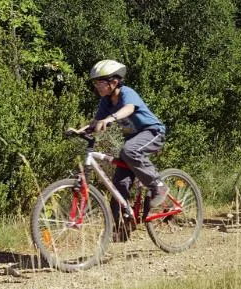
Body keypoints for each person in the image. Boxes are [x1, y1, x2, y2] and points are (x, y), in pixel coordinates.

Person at [71, 60, 168, 241]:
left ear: (114, 82)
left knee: (128, 150)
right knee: (118, 187)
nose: (97, 86)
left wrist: (111, 119)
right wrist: (81, 130)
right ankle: (123, 228)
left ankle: (159, 186)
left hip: (152, 132)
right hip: (133, 140)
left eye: (100, 82)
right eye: (95, 83)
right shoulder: (105, 102)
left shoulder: (127, 93)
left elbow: (129, 108)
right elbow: (96, 122)